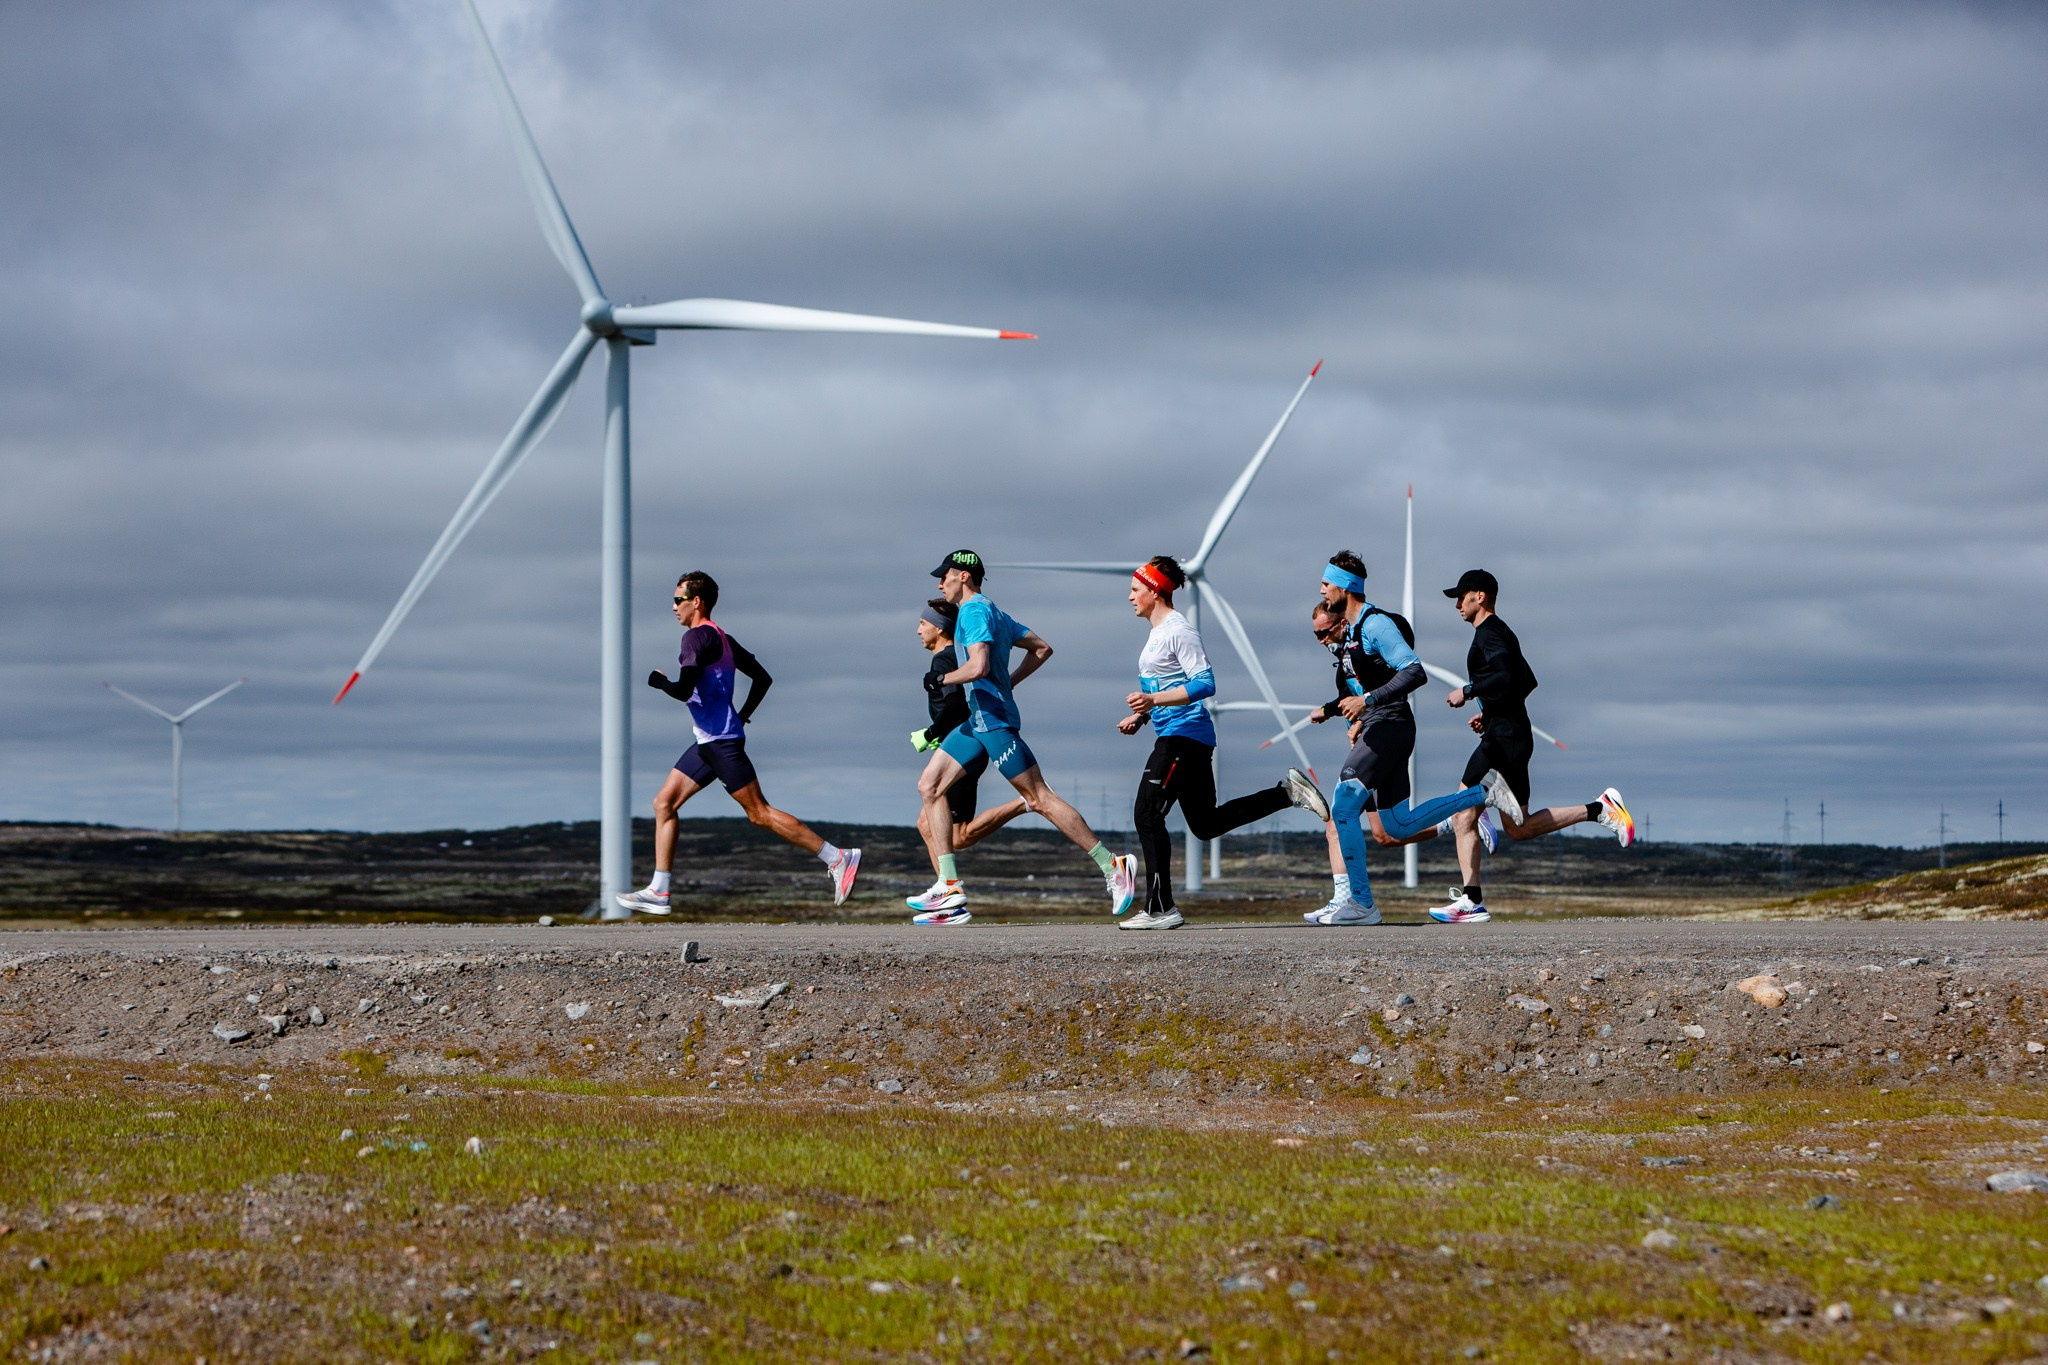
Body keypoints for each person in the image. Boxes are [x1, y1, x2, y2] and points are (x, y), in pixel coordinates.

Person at [907, 549, 1136, 925]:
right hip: (977, 721)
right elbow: (1042, 648)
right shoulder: (995, 611)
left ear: (963, 576)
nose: (939, 582)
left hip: (993, 720)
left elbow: (979, 665)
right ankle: (948, 884)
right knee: (929, 786)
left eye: (944, 575)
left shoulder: (975, 612)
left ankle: (1113, 865)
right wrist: (1008, 683)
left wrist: (942, 678)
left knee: (1040, 798)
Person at [613, 571, 860, 915]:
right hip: (708, 742)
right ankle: (660, 889)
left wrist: (659, 682)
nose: (673, 607)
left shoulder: (695, 639)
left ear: (696, 602)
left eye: (677, 600)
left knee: (759, 814)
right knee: (663, 803)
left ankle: (838, 857)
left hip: (721, 744)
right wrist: (742, 715)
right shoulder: (722, 638)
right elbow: (763, 677)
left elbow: (683, 690)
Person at [1116, 557, 1330, 930]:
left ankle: (1160, 907)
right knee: (1205, 824)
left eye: (1135, 589)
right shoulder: (1157, 633)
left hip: (1183, 738)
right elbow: (1166, 687)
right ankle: (1286, 793)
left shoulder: (1178, 631)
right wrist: (1144, 715)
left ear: (1154, 590)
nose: (1129, 596)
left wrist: (1153, 703)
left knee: (1147, 814)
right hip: (1182, 735)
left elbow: (1205, 684)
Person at [1311, 551, 1523, 926]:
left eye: (1326, 583)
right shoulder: (1355, 631)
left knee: (1343, 805)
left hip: (1390, 726)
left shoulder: (1375, 625)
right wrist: (1346, 709)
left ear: (1345, 586)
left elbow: (1415, 672)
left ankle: (1361, 904)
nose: (1321, 590)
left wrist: (1368, 701)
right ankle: (1483, 794)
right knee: (1396, 827)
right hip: (1382, 726)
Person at [1431, 568, 1635, 924]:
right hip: (1507, 734)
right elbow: (1525, 682)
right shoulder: (1498, 633)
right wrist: (1491, 713)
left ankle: (1471, 899)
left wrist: (1468, 692)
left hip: (1504, 740)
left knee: (1462, 811)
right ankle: (1599, 809)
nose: (1457, 605)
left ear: (1480, 596)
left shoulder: (1491, 633)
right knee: (1519, 828)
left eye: (1461, 597)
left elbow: (1510, 677)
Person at [912, 597, 1031, 871]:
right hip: (960, 745)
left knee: (959, 835)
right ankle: (945, 892)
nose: (918, 631)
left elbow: (956, 705)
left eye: (922, 623)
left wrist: (931, 733)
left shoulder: (944, 661)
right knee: (926, 824)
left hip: (961, 751)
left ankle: (1025, 802)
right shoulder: (955, 656)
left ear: (939, 628)